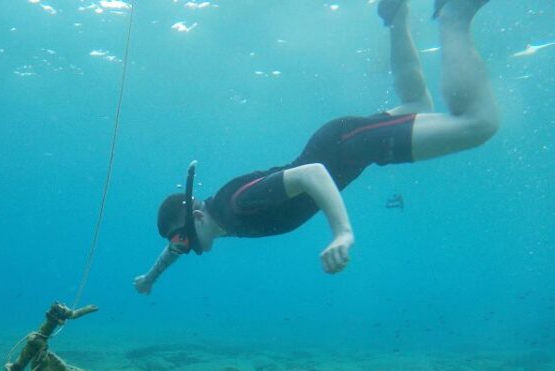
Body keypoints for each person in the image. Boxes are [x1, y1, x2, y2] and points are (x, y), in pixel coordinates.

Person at [133, 0, 498, 295]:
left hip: (349, 146)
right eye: (179, 243)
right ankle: (396, 15)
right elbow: (174, 244)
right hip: (344, 144)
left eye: (182, 240)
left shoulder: (237, 204)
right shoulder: (213, 219)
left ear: (197, 217)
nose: (183, 248)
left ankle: (454, 16)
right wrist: (151, 277)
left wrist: (342, 232)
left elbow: (313, 173)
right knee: (418, 104)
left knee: (477, 124)